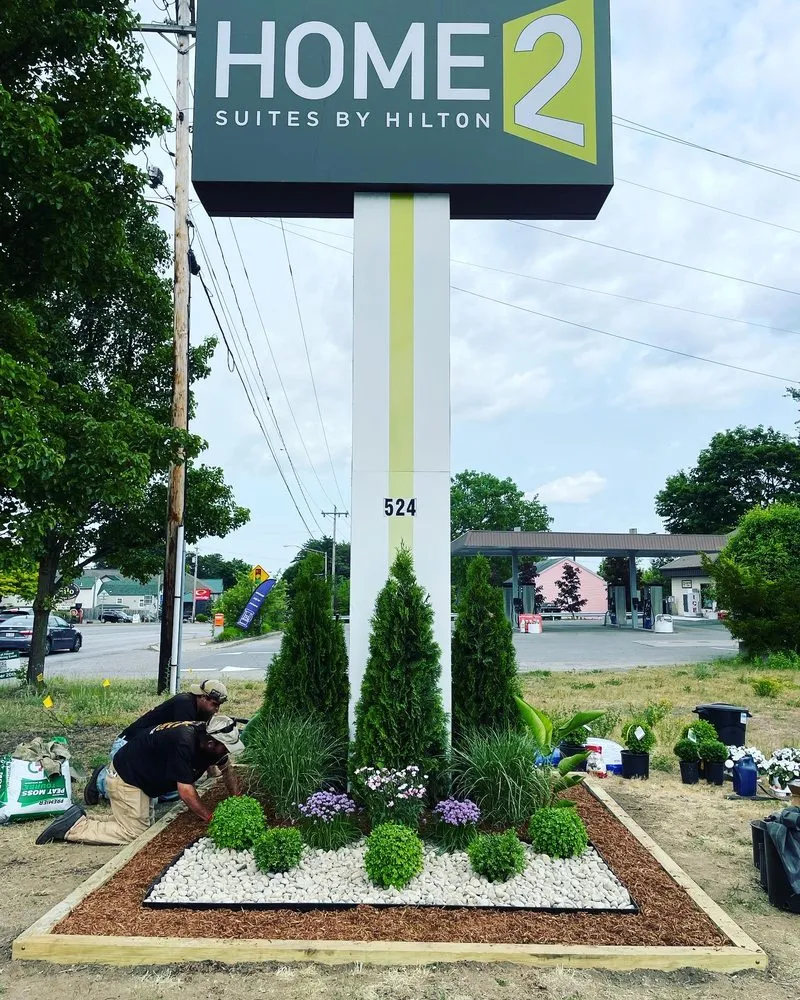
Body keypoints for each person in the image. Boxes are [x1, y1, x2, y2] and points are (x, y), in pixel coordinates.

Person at [36, 715, 244, 846]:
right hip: (127, 778)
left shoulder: (208, 739)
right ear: (210, 742)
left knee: (143, 824)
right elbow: (186, 793)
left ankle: (77, 818)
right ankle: (71, 829)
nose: (226, 751)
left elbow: (227, 769)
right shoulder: (184, 742)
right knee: (135, 833)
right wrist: (211, 819)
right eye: (224, 746)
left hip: (142, 777)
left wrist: (237, 799)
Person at [84, 679, 229, 804]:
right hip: (129, 747)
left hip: (152, 750)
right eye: (214, 704)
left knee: (171, 791)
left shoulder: (203, 712)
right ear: (203, 697)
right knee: (136, 788)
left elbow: (205, 745)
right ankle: (101, 780)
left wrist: (212, 773)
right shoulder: (184, 705)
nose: (217, 710)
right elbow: (186, 746)